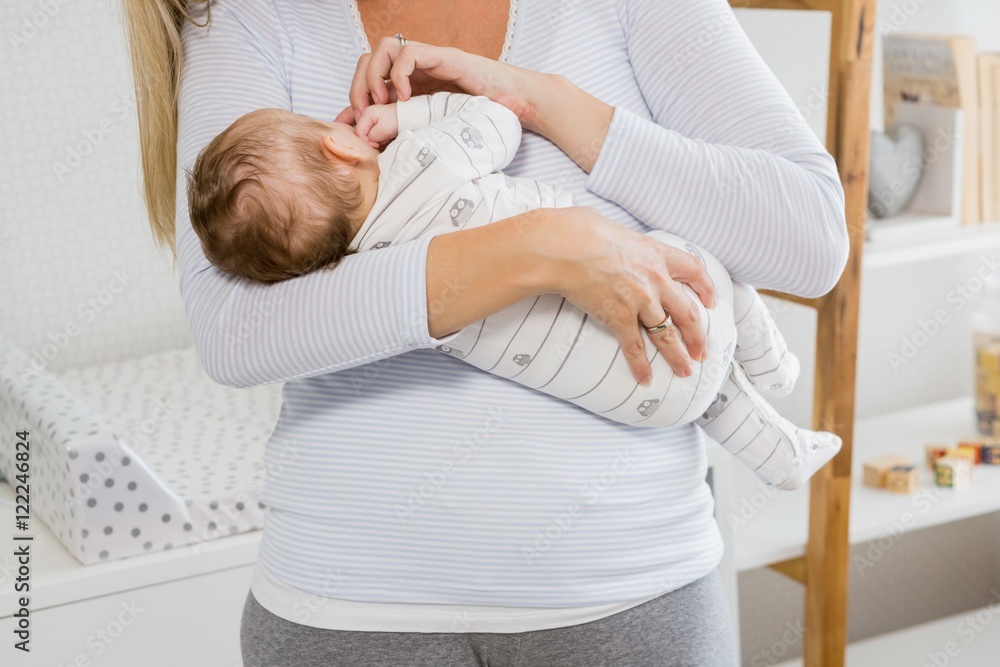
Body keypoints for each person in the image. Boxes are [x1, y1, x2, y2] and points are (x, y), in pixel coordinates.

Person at [122, 0, 849, 664]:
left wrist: (543, 100)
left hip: (627, 595)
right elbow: (234, 327)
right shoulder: (253, 18)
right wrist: (543, 248)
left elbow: (809, 238)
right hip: (345, 614)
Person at [185, 90, 840, 491]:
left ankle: (781, 456)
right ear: (343, 146)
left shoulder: (358, 276)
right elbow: (497, 119)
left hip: (632, 399)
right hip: (677, 313)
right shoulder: (422, 158)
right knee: (708, 267)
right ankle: (772, 363)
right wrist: (405, 115)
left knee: (702, 394)